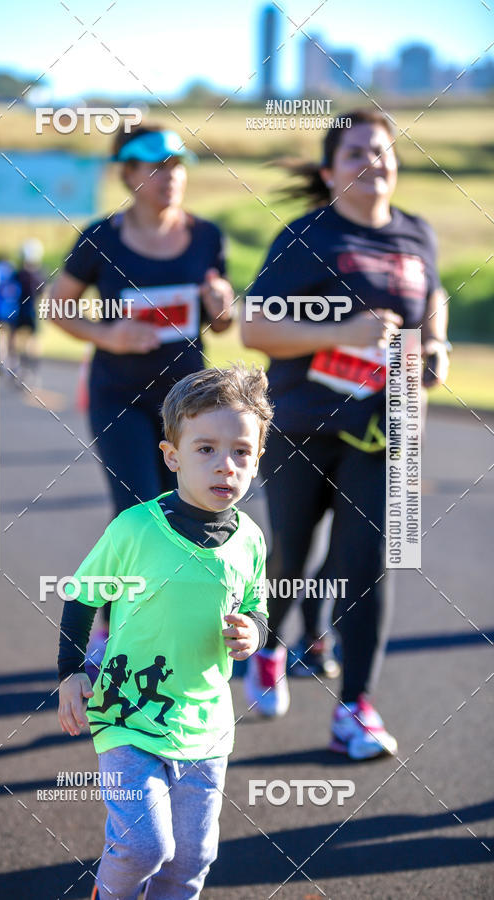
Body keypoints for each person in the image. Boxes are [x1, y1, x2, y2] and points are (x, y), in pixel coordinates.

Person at [241, 109, 450, 760]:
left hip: (386, 429)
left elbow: (432, 296)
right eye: (357, 151)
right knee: (291, 556)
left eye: (383, 150)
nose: (374, 161)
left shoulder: (418, 234)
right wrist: (340, 333)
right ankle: (271, 647)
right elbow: (254, 328)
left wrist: (435, 345)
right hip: (304, 425)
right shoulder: (306, 237)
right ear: (331, 171)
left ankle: (355, 708)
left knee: (368, 563)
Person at [57, 364, 272, 900]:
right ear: (172, 455)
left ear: (257, 459)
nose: (226, 465)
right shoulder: (134, 529)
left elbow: (255, 604)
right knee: (146, 846)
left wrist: (255, 632)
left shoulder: (250, 540)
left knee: (191, 862)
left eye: (241, 452)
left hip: (206, 722)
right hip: (127, 711)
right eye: (206, 449)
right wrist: (68, 674)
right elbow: (83, 598)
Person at [50, 123, 235, 677]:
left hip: (189, 404)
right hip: (119, 398)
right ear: (128, 174)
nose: (169, 178)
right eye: (156, 168)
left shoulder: (207, 237)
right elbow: (56, 307)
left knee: (190, 510)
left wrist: (221, 303)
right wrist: (108, 335)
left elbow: (221, 323)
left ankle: (177, 627)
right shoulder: (99, 238)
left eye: (178, 167)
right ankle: (107, 628)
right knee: (136, 512)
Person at [8, 238, 45, 382]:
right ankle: (33, 368)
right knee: (33, 339)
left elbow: (10, 291)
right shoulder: (40, 274)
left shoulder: (18, 273)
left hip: (18, 312)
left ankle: (14, 363)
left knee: (13, 337)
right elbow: (43, 293)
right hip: (32, 312)